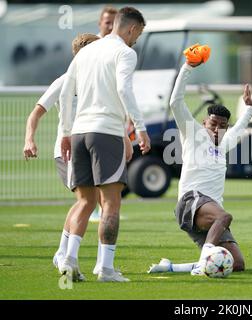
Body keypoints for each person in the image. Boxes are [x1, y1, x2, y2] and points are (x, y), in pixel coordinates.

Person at [59, 7, 150, 282]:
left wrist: (65, 131)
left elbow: (65, 92)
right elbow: (124, 89)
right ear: (132, 29)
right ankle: (105, 268)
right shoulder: (125, 52)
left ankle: (70, 259)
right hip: (106, 132)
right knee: (110, 204)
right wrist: (140, 128)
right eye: (139, 34)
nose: (136, 40)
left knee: (85, 201)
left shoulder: (86, 51)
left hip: (78, 132)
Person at [148, 53, 252, 275]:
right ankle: (206, 254)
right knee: (225, 216)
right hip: (191, 201)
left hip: (208, 213)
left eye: (222, 126)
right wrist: (187, 67)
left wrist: (249, 108)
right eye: (213, 124)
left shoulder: (224, 143)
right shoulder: (193, 132)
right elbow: (175, 102)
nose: (217, 129)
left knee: (237, 265)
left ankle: (172, 267)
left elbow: (239, 129)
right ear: (205, 122)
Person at [23, 33, 107, 281]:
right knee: (87, 201)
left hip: (87, 149)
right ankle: (65, 256)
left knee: (90, 201)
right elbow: (35, 113)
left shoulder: (97, 82)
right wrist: (29, 139)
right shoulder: (64, 81)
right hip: (67, 151)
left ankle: (64, 254)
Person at [89, 6, 119, 222]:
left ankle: (103, 209)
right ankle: (95, 208)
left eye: (114, 22)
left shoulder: (120, 48)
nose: (110, 26)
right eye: (107, 22)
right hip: (93, 119)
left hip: (112, 118)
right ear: (100, 23)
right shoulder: (91, 47)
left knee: (107, 170)